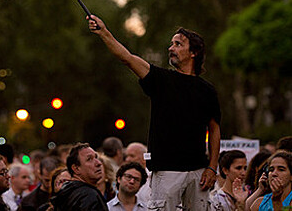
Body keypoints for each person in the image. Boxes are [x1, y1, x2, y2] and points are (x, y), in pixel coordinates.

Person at [88, 15, 221, 211]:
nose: (171, 48)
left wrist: (212, 167)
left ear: (194, 52)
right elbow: (127, 58)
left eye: (178, 44)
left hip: (199, 172)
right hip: (166, 171)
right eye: (171, 44)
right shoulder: (160, 79)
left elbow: (215, 129)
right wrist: (104, 32)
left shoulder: (208, 90)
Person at [51, 143, 108, 211]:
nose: (98, 163)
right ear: (76, 168)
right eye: (89, 159)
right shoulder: (89, 196)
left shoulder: (67, 193)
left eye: (96, 157)